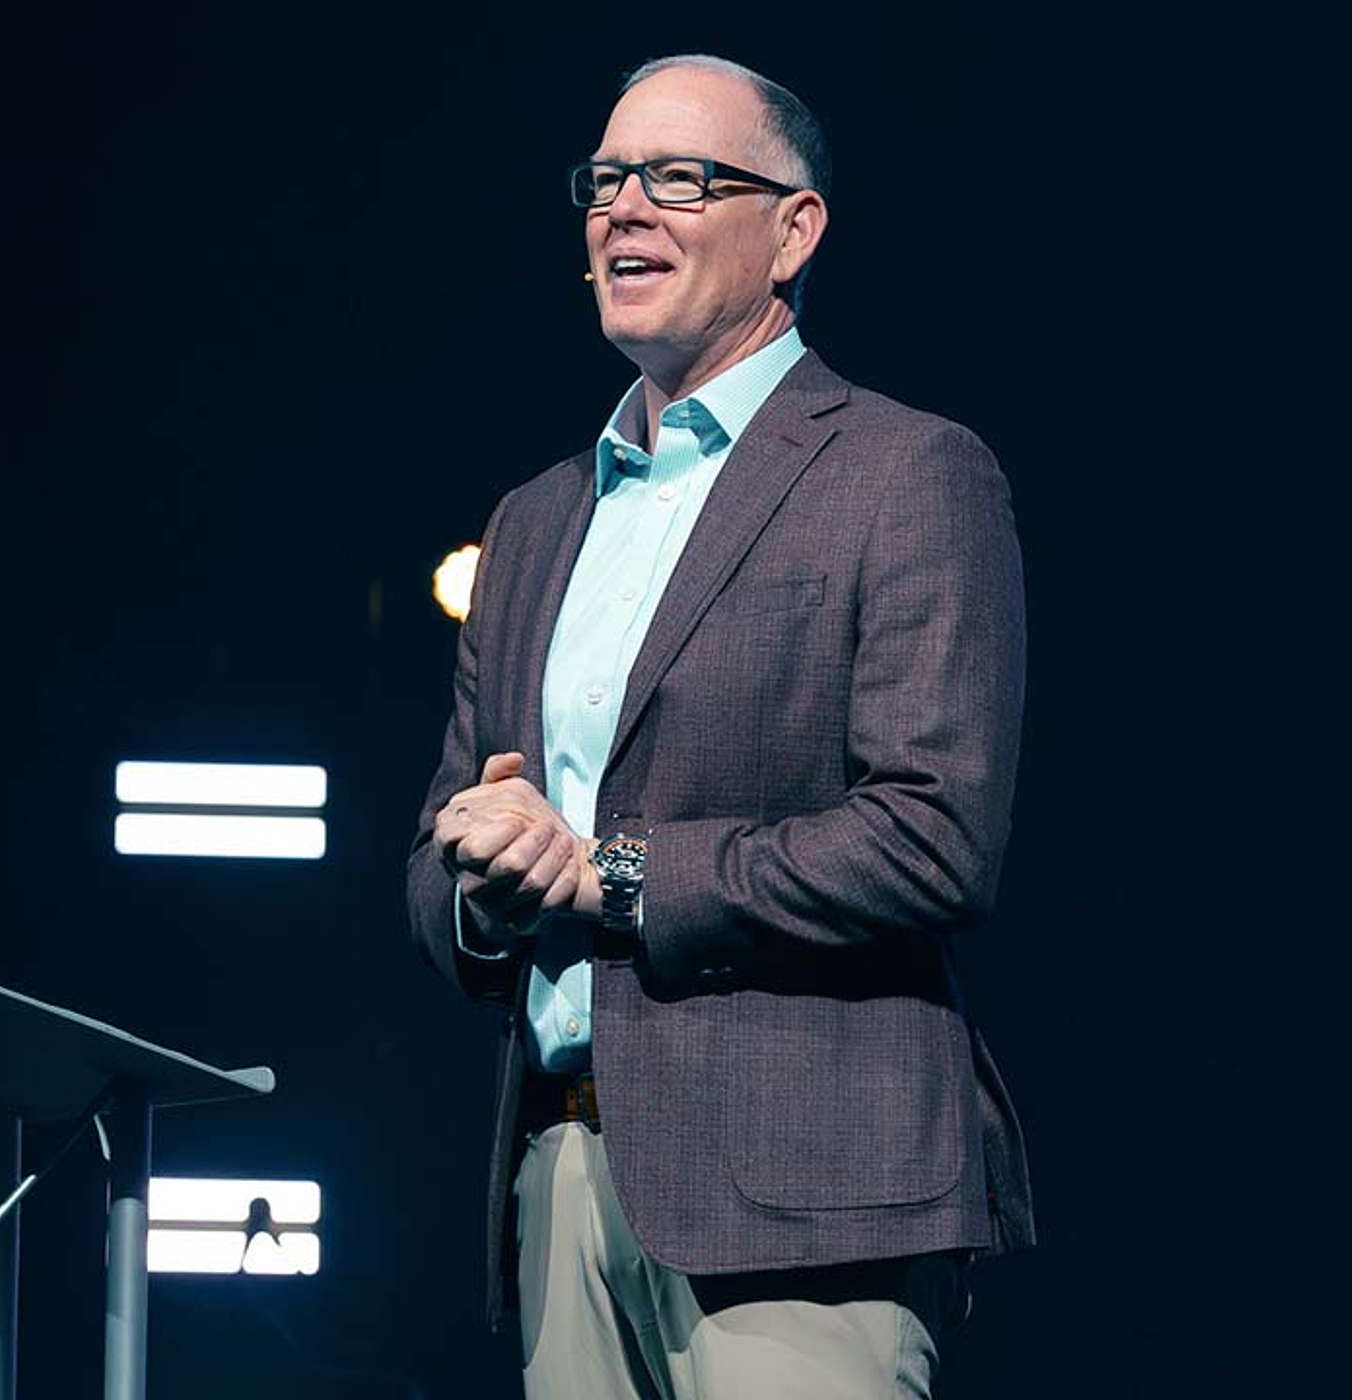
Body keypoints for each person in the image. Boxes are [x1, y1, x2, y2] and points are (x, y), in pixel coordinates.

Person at [408, 52, 1034, 1400]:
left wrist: (613, 874)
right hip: (560, 1177)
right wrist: (487, 883)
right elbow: (439, 854)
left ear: (793, 233)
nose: (625, 209)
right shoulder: (533, 521)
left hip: (804, 1195)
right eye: (606, 181)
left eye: (681, 178)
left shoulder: (905, 471)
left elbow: (932, 838)